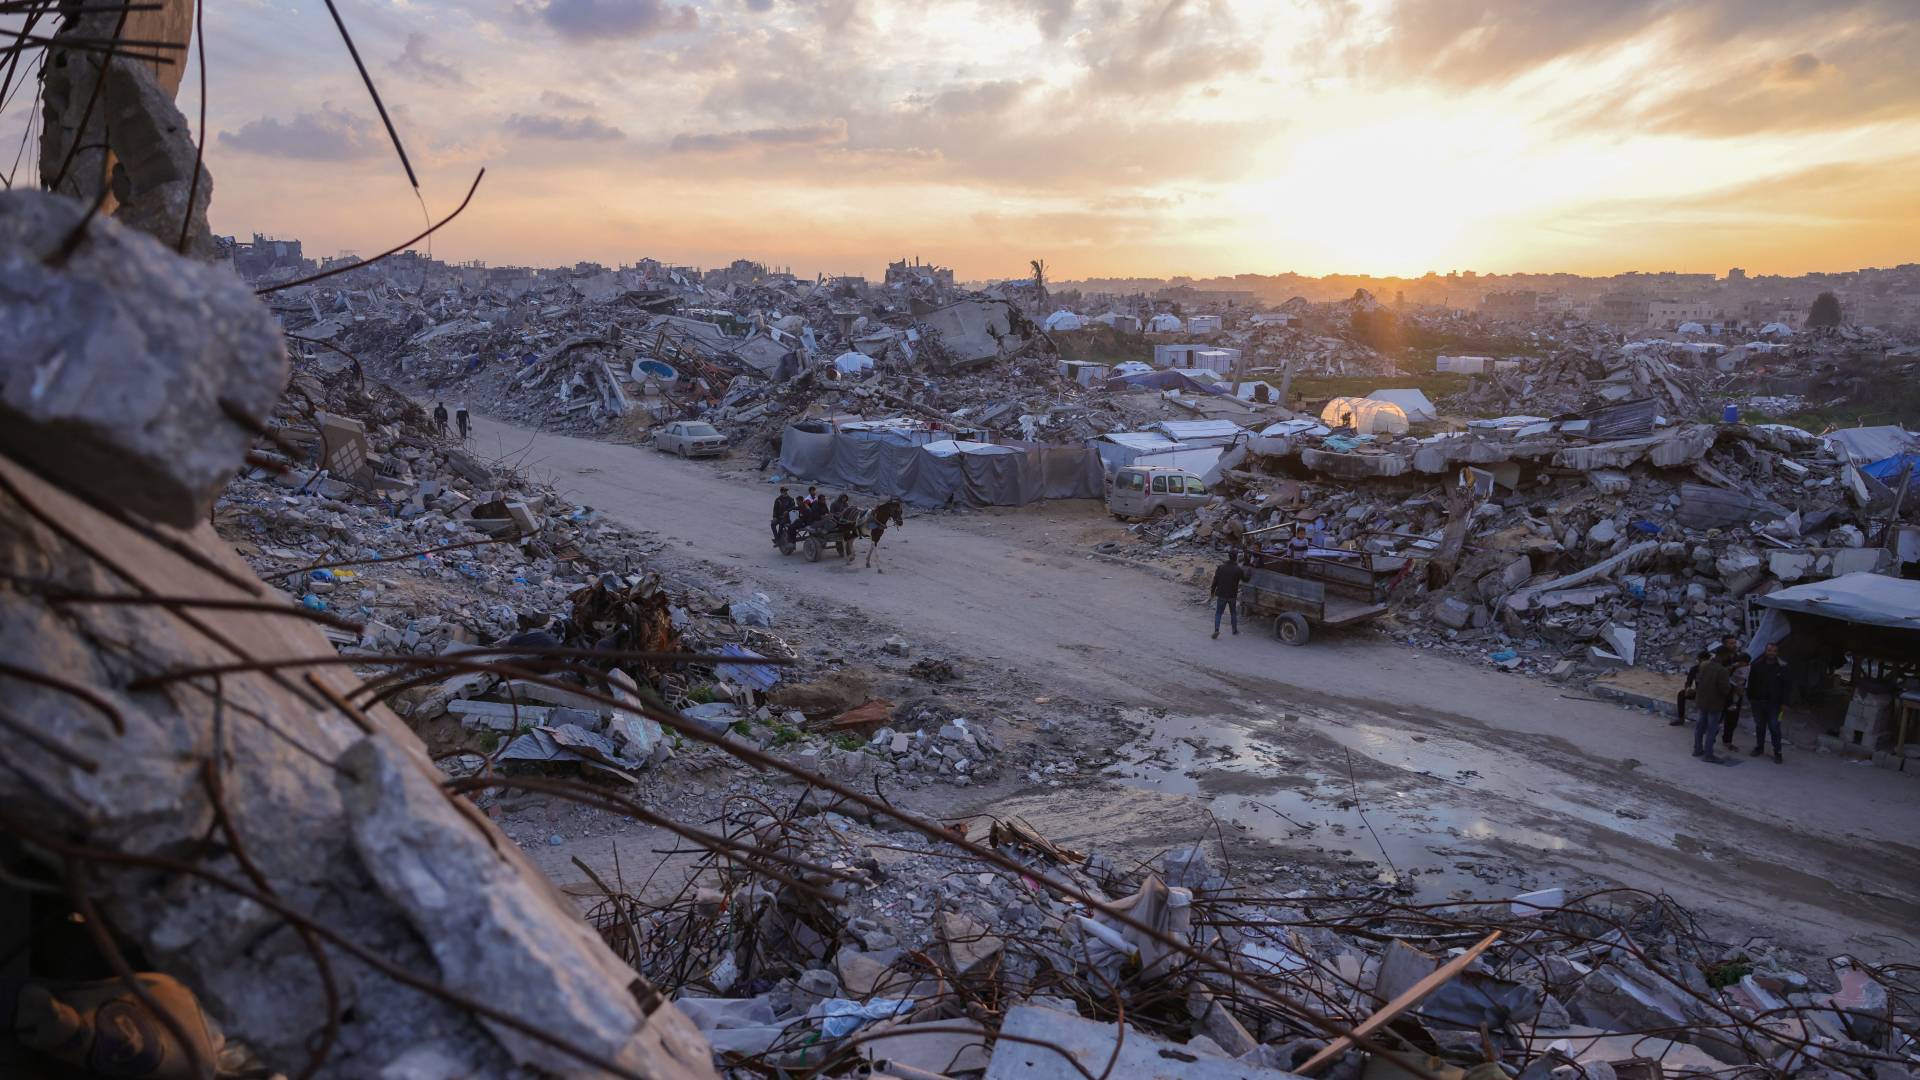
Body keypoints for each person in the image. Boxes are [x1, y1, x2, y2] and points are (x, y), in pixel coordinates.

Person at [1747, 641, 1792, 763]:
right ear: (1765, 651)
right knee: (1760, 726)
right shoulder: (1757, 665)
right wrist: (1751, 698)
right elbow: (1751, 683)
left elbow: (1788, 687)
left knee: (1774, 727)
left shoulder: (1783, 667)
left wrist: (1786, 703)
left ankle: (1777, 752)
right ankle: (1759, 747)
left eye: (1774, 651)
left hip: (1775, 704)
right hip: (1758, 701)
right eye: (1769, 650)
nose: (1771, 653)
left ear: (1777, 653)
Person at [1692, 648, 1733, 763]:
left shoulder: (1704, 666)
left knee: (1700, 727)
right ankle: (1708, 754)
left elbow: (1698, 680)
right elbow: (1725, 689)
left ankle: (1697, 749)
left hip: (1702, 701)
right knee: (1712, 729)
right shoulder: (1722, 671)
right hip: (1715, 704)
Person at [1209, 552, 1248, 640]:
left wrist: (1212, 592)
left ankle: (1216, 629)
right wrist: (1249, 572)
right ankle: (1234, 630)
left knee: (1218, 613)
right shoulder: (1238, 570)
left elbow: (1215, 581)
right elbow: (1245, 579)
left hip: (1221, 594)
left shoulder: (1220, 567)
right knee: (1233, 613)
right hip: (1232, 595)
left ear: (1229, 557)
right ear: (1236, 558)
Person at [1673, 649, 1711, 726]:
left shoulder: (1713, 670)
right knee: (1681, 694)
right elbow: (1688, 681)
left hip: (1710, 693)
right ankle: (1681, 718)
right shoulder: (1695, 669)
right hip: (1698, 693)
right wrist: (1688, 689)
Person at [1720, 656, 1750, 748]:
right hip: (1726, 695)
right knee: (1719, 718)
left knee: (1732, 720)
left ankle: (1727, 740)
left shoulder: (1747, 670)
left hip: (1736, 698)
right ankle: (1711, 738)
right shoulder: (1730, 668)